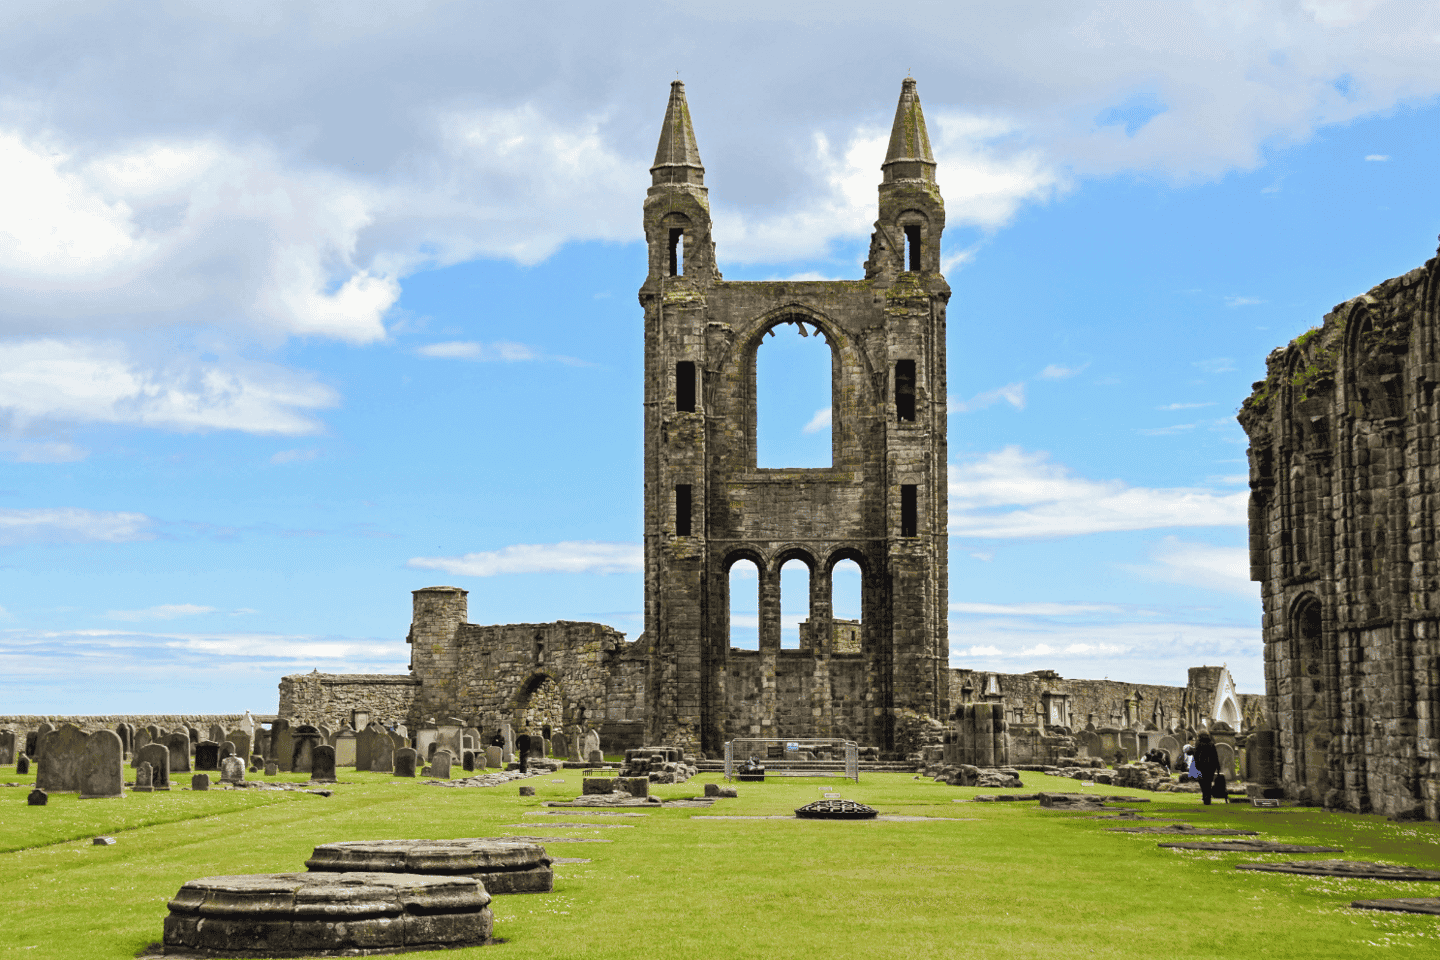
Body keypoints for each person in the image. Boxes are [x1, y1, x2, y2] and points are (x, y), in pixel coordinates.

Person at [1193, 731, 1221, 805]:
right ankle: (1207, 797)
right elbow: (1215, 756)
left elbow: (1196, 755)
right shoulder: (1211, 743)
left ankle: (1205, 795)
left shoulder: (1198, 744)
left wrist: (1195, 764)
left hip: (1201, 765)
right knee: (1208, 782)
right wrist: (1218, 766)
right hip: (1211, 766)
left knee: (1202, 782)